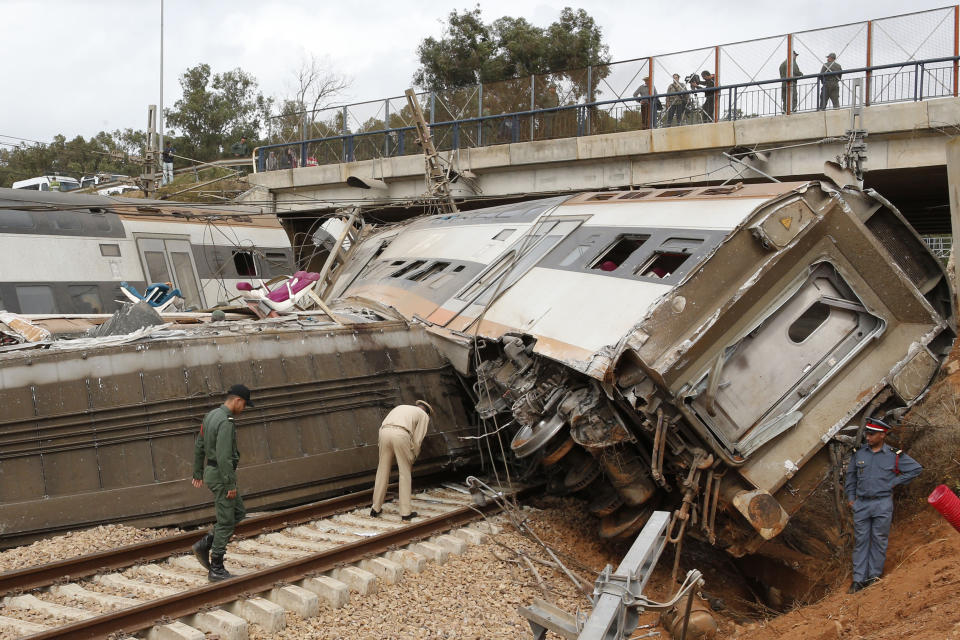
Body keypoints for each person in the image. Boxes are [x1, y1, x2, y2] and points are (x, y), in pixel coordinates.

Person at [844, 417, 922, 593]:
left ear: (882, 435)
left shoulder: (894, 455)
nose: (868, 437)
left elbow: (916, 469)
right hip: (862, 504)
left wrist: (894, 482)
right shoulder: (859, 453)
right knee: (861, 541)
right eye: (867, 433)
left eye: (871, 434)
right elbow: (851, 478)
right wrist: (851, 498)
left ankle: (873, 577)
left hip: (882, 503)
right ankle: (858, 580)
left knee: (879, 540)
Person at [191, 384, 254, 581]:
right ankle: (216, 567)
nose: (243, 409)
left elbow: (199, 445)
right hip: (221, 475)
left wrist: (198, 472)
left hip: (212, 472)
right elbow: (225, 456)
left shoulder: (211, 416)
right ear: (237, 401)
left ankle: (207, 541)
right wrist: (230, 485)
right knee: (226, 521)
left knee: (238, 512)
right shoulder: (226, 422)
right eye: (244, 405)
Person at [370, 400, 433, 521]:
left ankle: (375, 508)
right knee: (405, 472)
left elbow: (383, 424)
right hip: (401, 434)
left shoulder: (401, 407)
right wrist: (413, 455)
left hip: (384, 432)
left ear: (417, 406)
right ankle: (405, 513)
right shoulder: (423, 415)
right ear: (427, 412)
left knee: (382, 470)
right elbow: (418, 438)